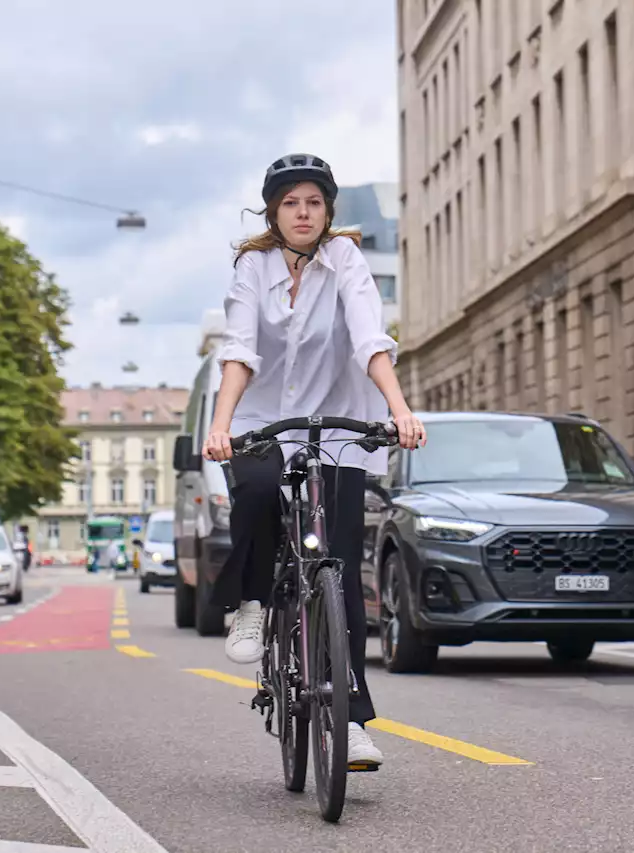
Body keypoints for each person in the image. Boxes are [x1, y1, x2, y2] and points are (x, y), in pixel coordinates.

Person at [202, 153, 426, 769]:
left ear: (328, 211)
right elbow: (240, 348)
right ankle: (251, 606)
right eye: (291, 203)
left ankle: (350, 721)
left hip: (337, 428)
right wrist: (222, 426)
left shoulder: (345, 259)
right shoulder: (254, 265)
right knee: (254, 489)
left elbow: (368, 337)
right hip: (260, 420)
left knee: (341, 569)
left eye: (315, 203)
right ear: (274, 211)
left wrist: (400, 410)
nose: (303, 213)